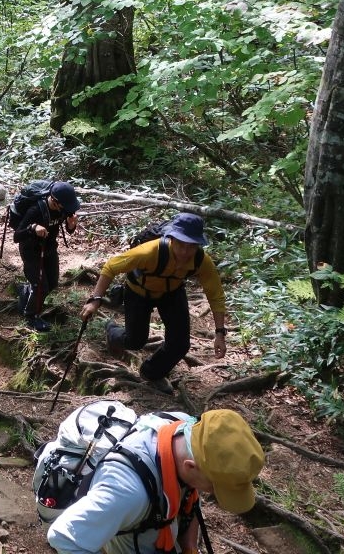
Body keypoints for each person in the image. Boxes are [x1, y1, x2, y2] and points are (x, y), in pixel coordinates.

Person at [46, 408, 265, 554]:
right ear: (190, 467)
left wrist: (189, 546)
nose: (215, 494)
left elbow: (191, 495)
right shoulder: (126, 493)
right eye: (215, 488)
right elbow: (63, 536)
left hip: (156, 531)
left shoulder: (185, 427)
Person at [81, 213, 227, 394]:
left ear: (198, 245)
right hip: (138, 292)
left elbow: (215, 295)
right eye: (180, 244)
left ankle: (151, 373)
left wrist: (220, 333)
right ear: (171, 238)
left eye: (191, 247)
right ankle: (112, 332)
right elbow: (111, 266)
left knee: (180, 344)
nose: (184, 252)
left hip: (172, 293)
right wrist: (95, 301)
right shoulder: (150, 251)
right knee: (135, 341)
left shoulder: (201, 261)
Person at [13, 181, 80, 331]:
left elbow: (69, 230)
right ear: (55, 201)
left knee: (53, 284)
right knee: (41, 287)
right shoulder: (35, 210)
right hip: (31, 251)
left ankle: (26, 291)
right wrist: (33, 227)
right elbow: (17, 236)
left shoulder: (65, 208)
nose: (69, 210)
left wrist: (71, 225)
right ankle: (31, 316)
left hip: (49, 249)